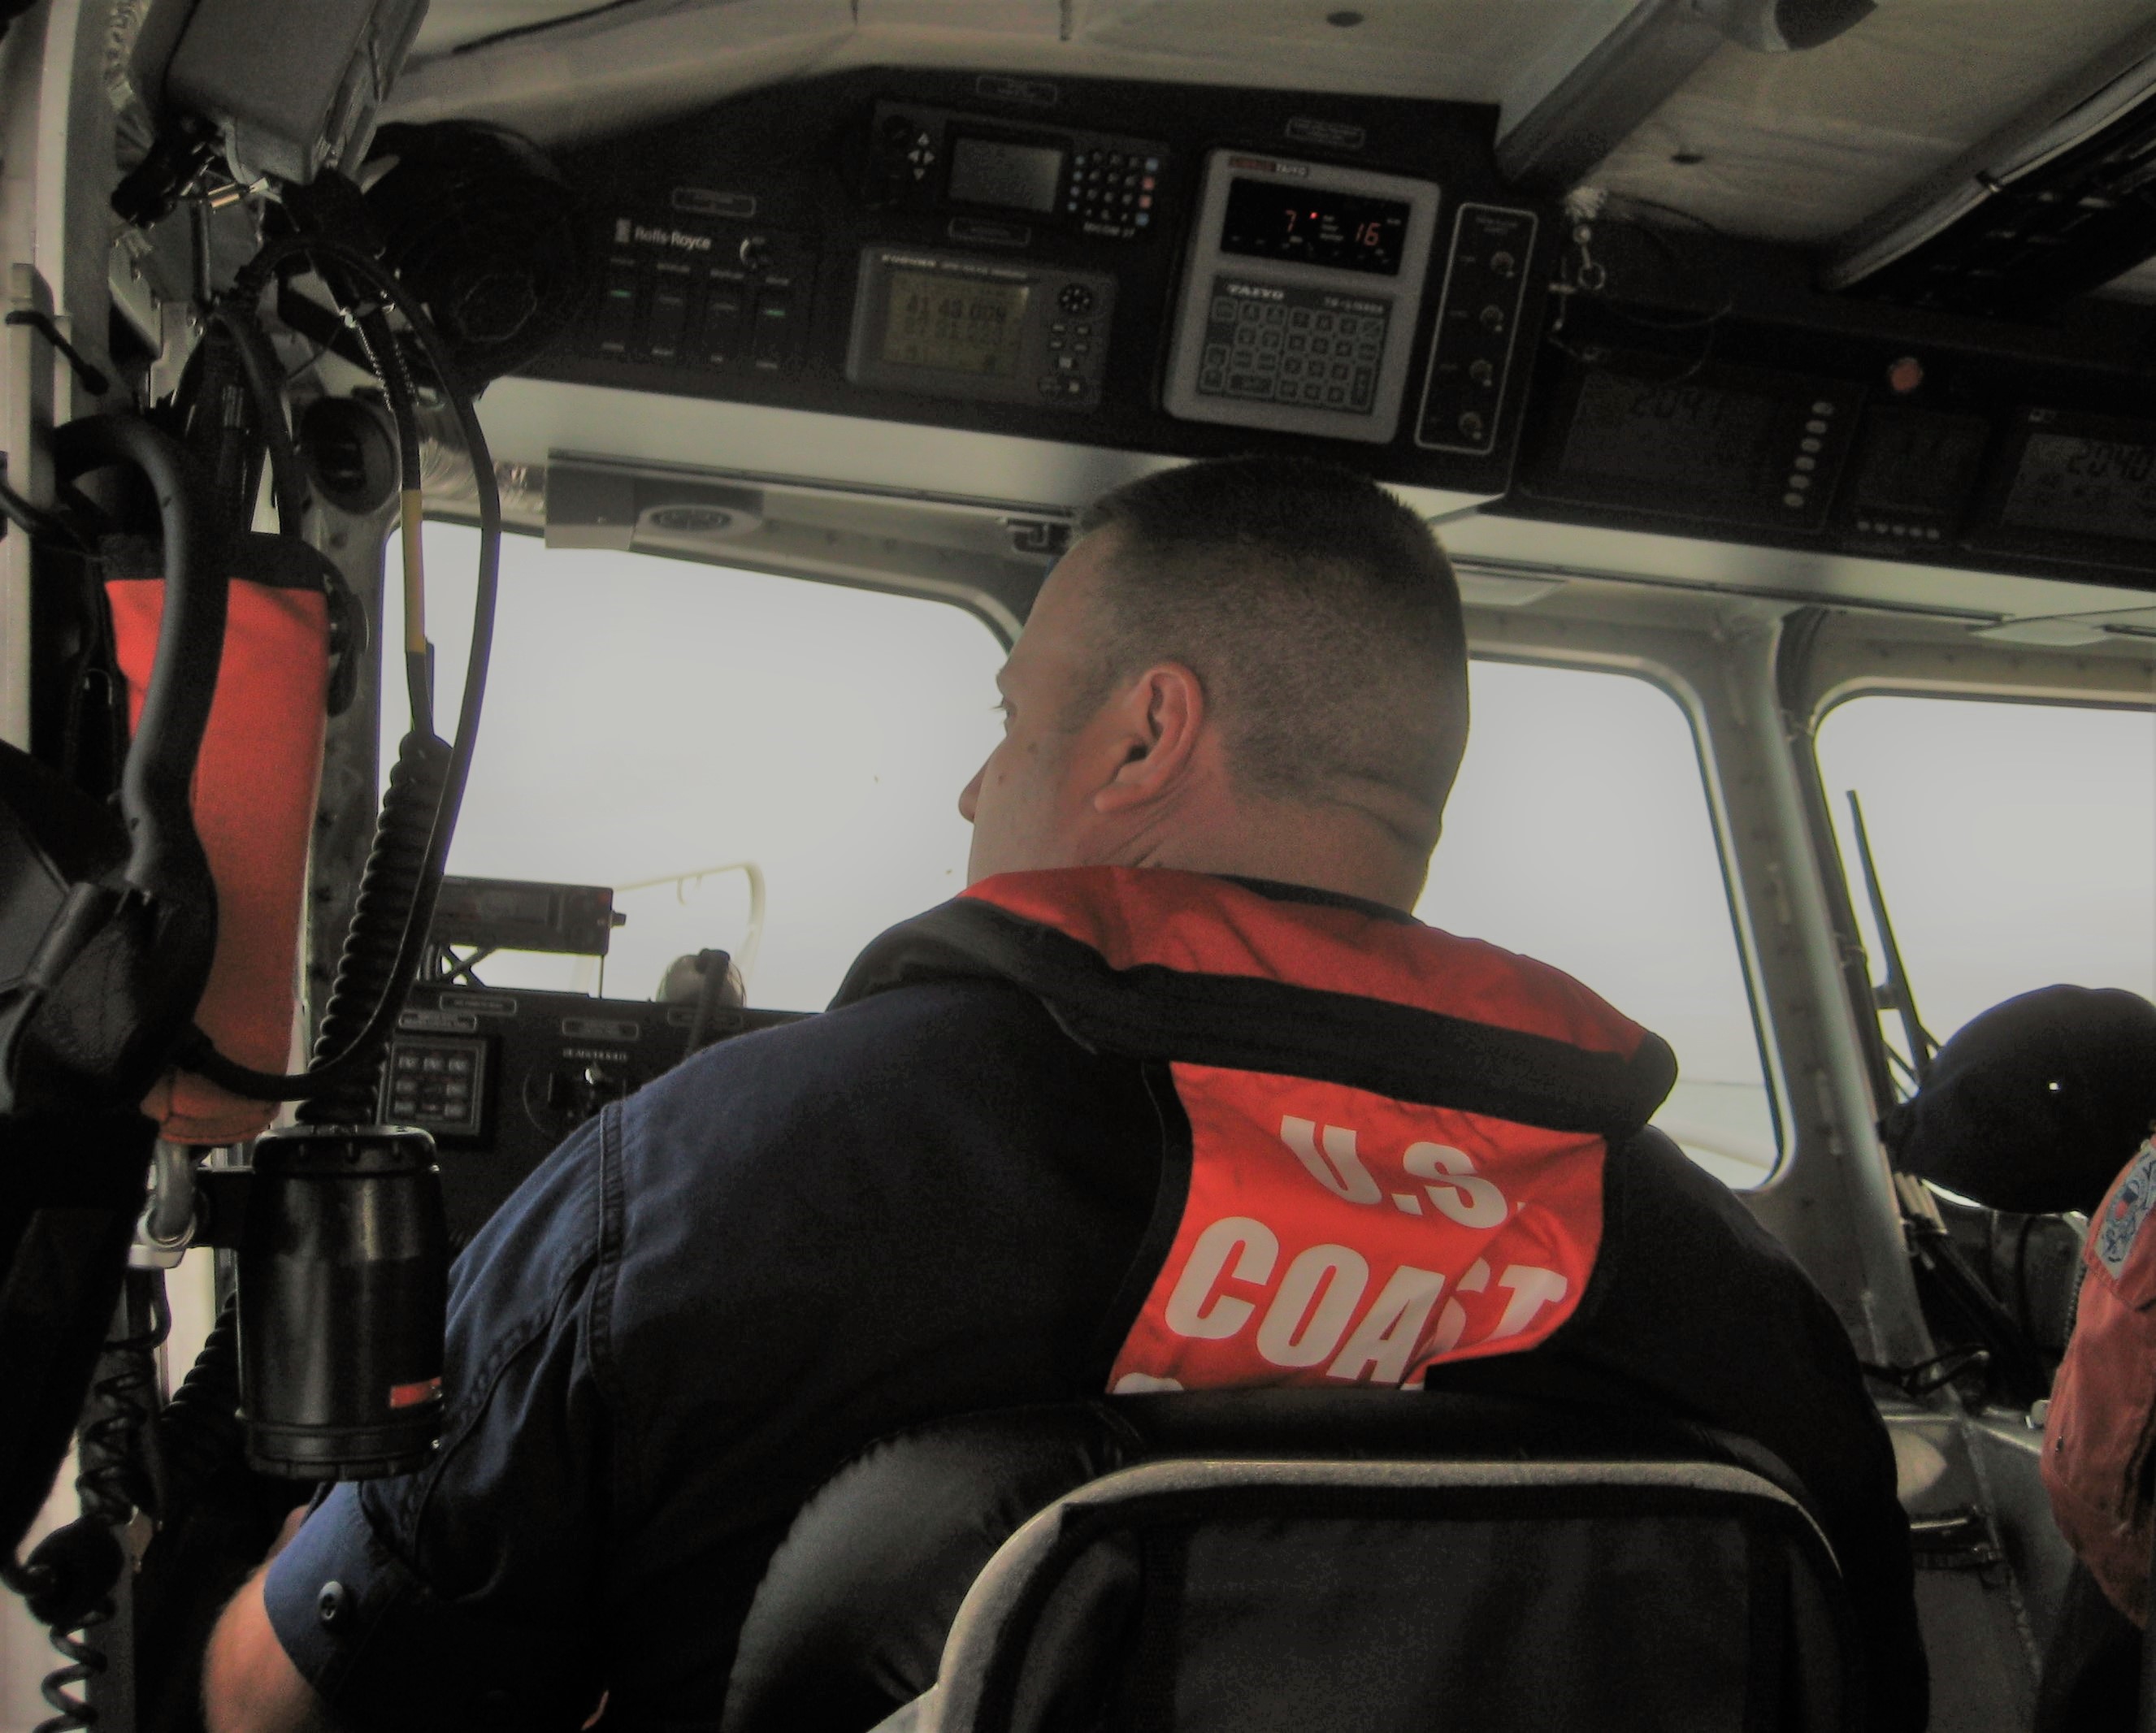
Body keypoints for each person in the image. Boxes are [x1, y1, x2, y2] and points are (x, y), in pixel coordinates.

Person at [204, 457, 1925, 1731]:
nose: (976, 782)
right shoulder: (1729, 1295)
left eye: (1010, 712)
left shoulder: (716, 1177)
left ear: (1143, 736)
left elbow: (284, 1706)